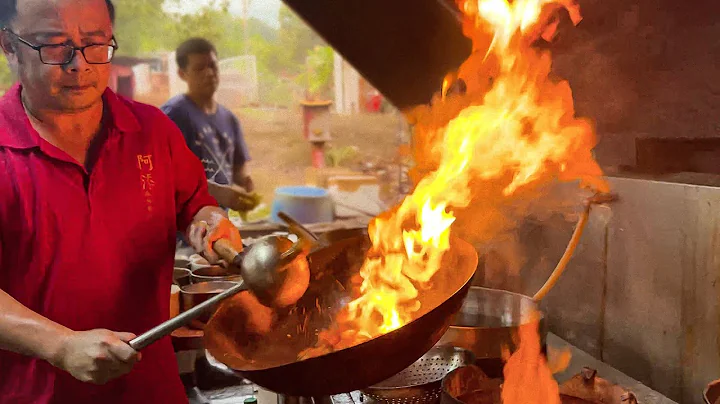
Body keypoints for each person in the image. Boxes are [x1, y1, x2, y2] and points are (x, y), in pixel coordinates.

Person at [0, 0, 245, 402]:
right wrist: (60, 345)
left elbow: (196, 205)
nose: (79, 64)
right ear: (9, 46)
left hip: (152, 389)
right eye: (53, 44)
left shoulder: (152, 131)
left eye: (95, 43)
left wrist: (212, 221)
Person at [161, 38, 255, 212]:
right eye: (199, 69)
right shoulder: (173, 115)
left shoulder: (230, 119)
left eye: (212, 66)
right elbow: (162, 176)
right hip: (183, 229)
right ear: (183, 74)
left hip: (219, 225)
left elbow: (237, 171)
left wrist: (245, 182)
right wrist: (218, 193)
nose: (209, 73)